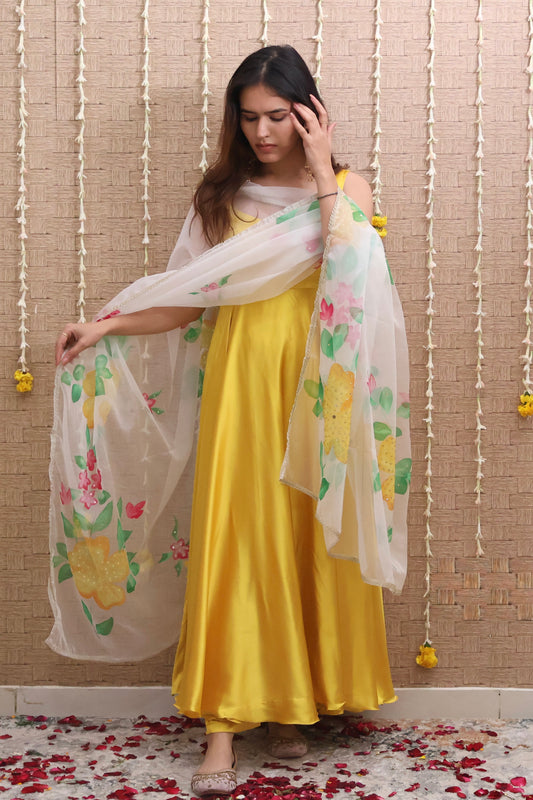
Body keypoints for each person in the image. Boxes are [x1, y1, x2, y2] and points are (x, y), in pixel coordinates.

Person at [54, 46, 409, 796]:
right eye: (249, 118)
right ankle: (221, 728)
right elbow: (188, 300)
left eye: (278, 116)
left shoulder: (347, 188)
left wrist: (322, 171)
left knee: (302, 536)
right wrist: (106, 326)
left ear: (309, 113)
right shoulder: (221, 198)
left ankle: (288, 707)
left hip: (319, 391)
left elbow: (352, 268)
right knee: (238, 538)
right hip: (243, 391)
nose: (262, 132)